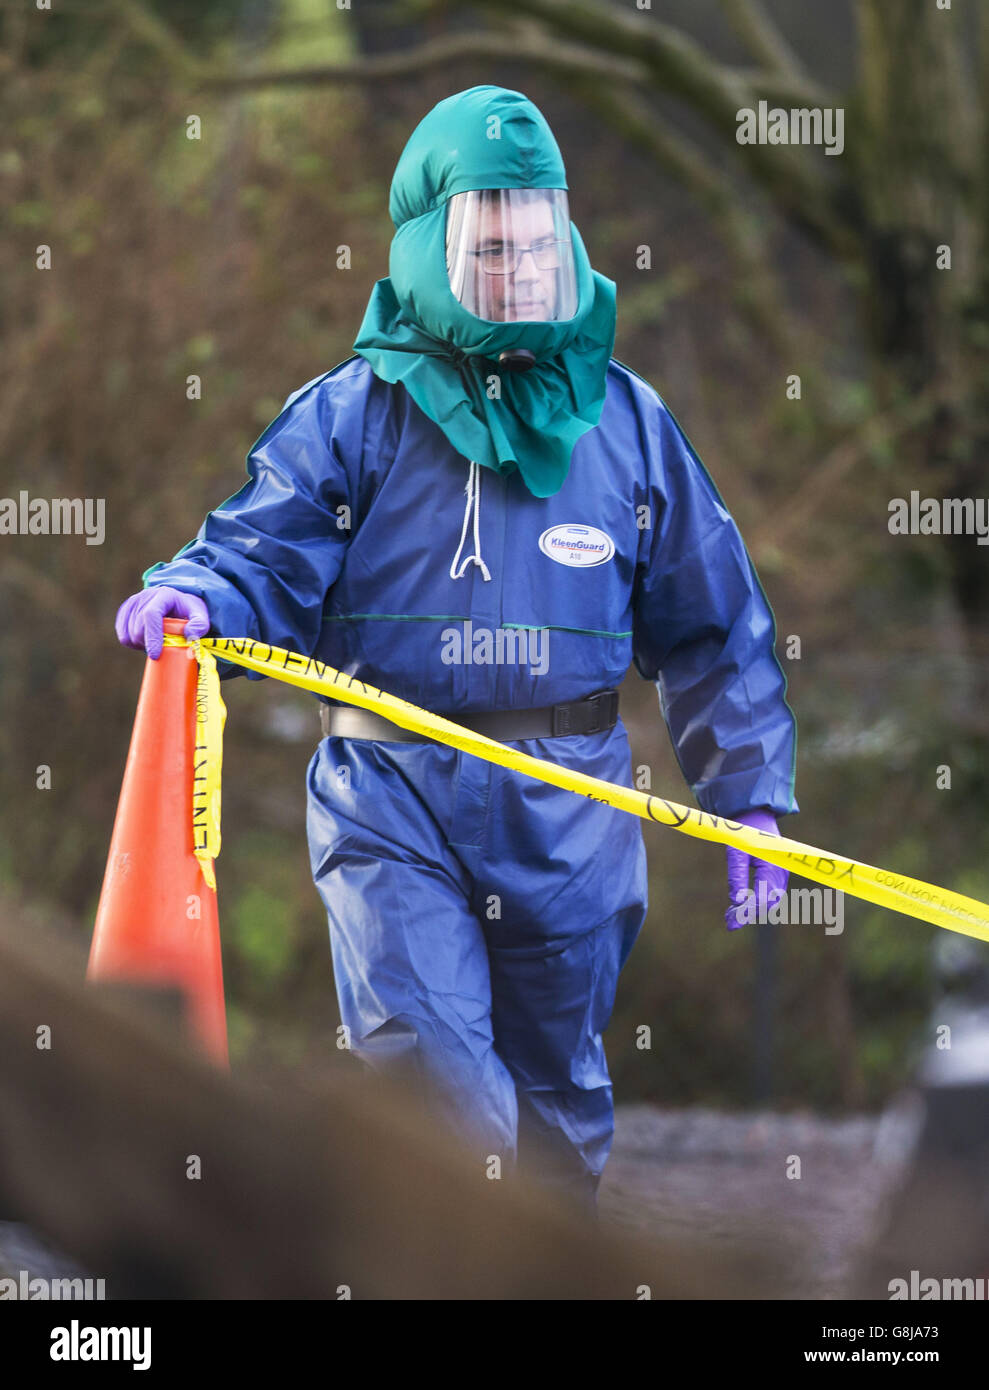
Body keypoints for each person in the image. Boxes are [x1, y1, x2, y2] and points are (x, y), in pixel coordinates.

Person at [116, 86, 798, 1218]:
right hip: (394, 797)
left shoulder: (623, 426)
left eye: (537, 239)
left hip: (572, 803)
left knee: (556, 1115)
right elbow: (260, 552)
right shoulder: (354, 416)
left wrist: (753, 793)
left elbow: (713, 622)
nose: (521, 267)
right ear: (431, 243)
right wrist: (197, 597)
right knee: (439, 1098)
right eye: (490, 244)